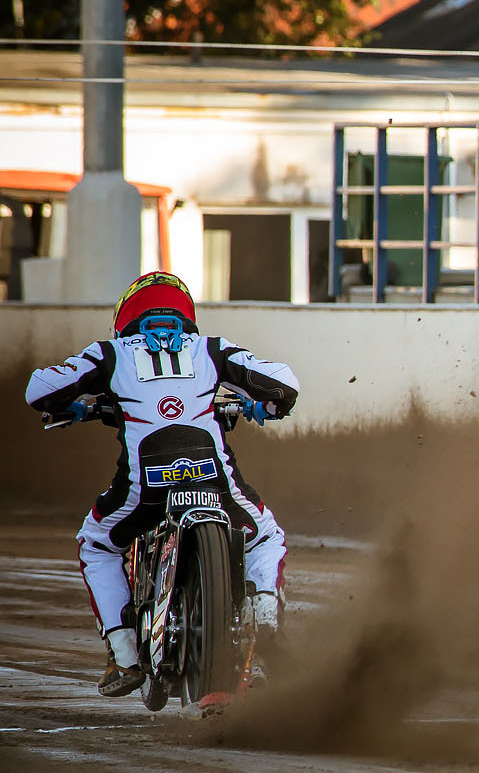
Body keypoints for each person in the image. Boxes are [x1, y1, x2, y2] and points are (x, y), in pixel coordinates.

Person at [25, 272, 300, 695]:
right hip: (212, 478)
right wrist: (265, 404)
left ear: (126, 317)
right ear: (185, 314)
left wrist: (73, 404)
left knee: (97, 541)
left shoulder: (110, 353)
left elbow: (39, 389)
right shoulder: (212, 349)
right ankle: (265, 616)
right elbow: (285, 383)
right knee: (263, 534)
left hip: (144, 488)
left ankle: (125, 655)